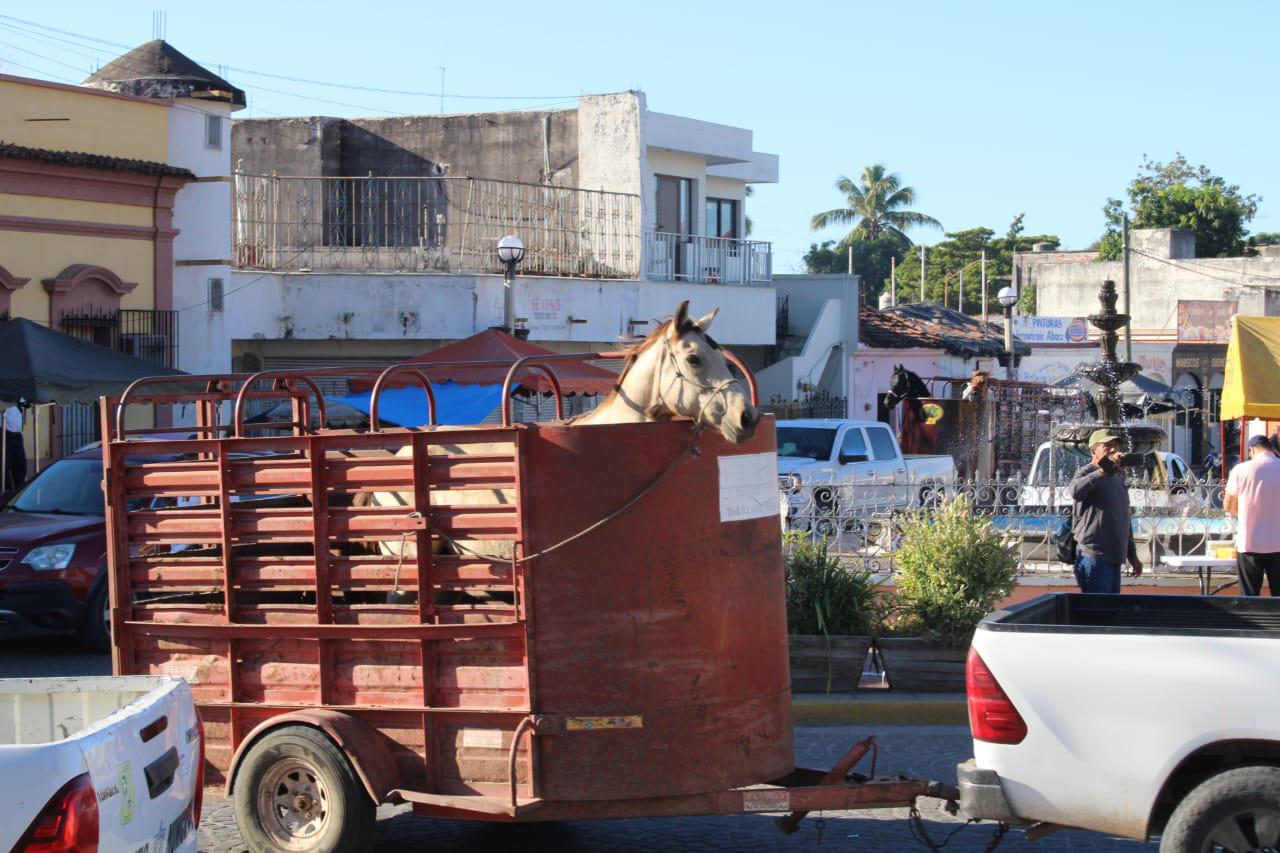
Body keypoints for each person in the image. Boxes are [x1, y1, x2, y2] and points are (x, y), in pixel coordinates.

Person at [1070, 429, 1143, 593]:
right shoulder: (1087, 472)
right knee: (1097, 614)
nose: (1113, 449)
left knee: (1109, 613)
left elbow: (1124, 517)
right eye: (1107, 445)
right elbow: (1074, 490)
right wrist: (1102, 471)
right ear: (1093, 450)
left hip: (1114, 558)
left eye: (1116, 445)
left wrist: (1132, 555)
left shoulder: (1117, 477)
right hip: (1094, 557)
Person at [1224, 434, 1280, 596]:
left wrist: (1245, 514)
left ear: (1252, 450)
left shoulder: (1241, 469)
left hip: (1249, 542)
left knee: (1249, 597)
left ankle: (1250, 621)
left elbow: (1228, 505)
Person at [3, 400, 25, 492]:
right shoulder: (5, 394)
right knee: (5, 464)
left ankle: (19, 490)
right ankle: (6, 490)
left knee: (21, 464)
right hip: (5, 434)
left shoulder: (21, 397)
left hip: (18, 435)